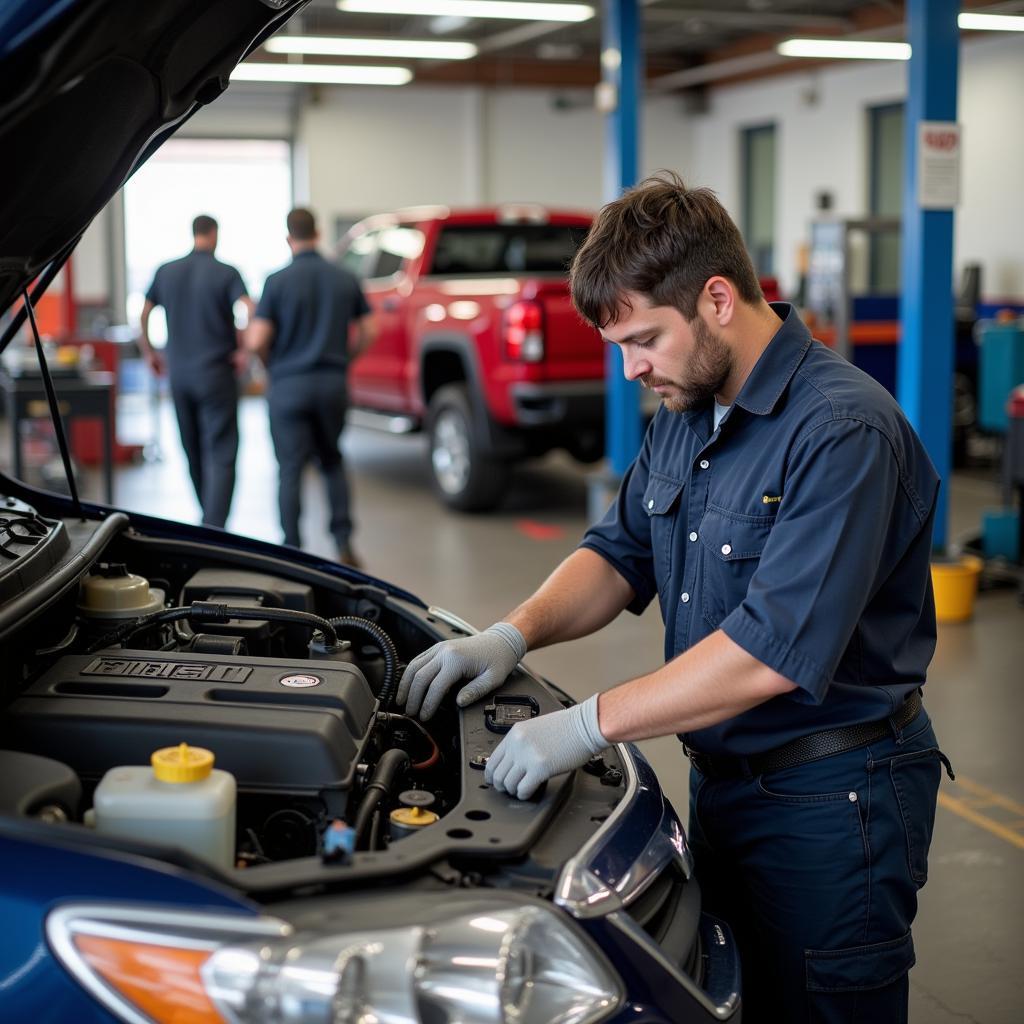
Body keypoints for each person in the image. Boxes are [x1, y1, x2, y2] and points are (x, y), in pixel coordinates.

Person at [396, 172, 952, 1022]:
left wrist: (585, 725)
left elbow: (770, 651)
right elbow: (618, 553)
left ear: (718, 298)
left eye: (645, 339)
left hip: (834, 803)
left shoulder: (842, 431)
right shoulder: (690, 410)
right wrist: (511, 636)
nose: (632, 369)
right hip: (723, 786)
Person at [246, 208, 375, 565]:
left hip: (288, 386)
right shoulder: (343, 276)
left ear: (289, 238)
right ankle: (344, 542)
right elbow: (370, 330)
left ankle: (292, 549)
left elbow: (257, 339)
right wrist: (345, 359)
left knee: (290, 468)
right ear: (317, 233)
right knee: (332, 460)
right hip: (331, 384)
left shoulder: (277, 281)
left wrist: (272, 367)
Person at [139, 214, 253, 528]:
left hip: (180, 375)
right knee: (222, 450)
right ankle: (215, 525)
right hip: (217, 373)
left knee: (192, 448)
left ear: (194, 234)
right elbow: (249, 307)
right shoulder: (226, 272)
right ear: (214, 234)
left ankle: (207, 516)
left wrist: (149, 353)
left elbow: (145, 311)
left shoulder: (167, 271)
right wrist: (246, 350)